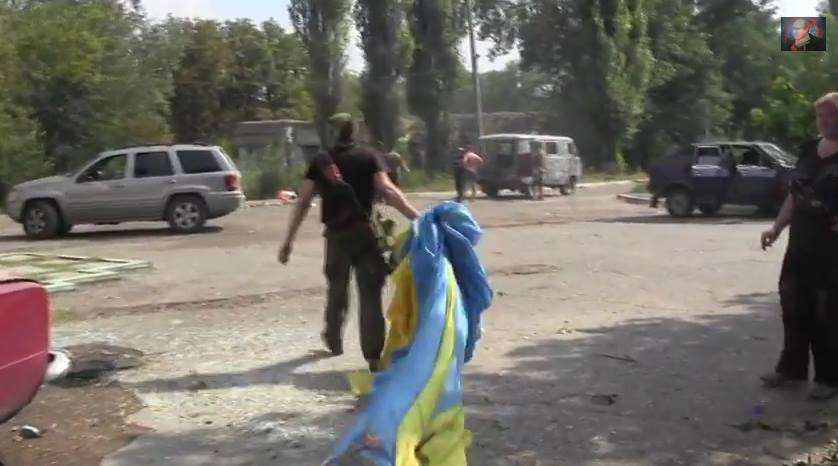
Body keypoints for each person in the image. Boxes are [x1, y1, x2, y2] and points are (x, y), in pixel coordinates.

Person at [278, 114, 420, 372]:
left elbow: (303, 201)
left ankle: (334, 340)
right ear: (354, 132)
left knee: (337, 289)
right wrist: (418, 218)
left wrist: (289, 240)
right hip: (366, 235)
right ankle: (373, 356)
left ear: (332, 133)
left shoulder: (321, 161)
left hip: (336, 237)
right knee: (370, 295)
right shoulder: (370, 157)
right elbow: (388, 190)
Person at [760, 92, 838, 400]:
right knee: (793, 304)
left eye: (832, 115)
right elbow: (795, 194)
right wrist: (776, 227)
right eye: (821, 115)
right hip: (801, 241)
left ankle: (829, 379)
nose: (826, 121)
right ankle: (791, 370)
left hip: (832, 248)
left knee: (826, 312)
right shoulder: (809, 150)